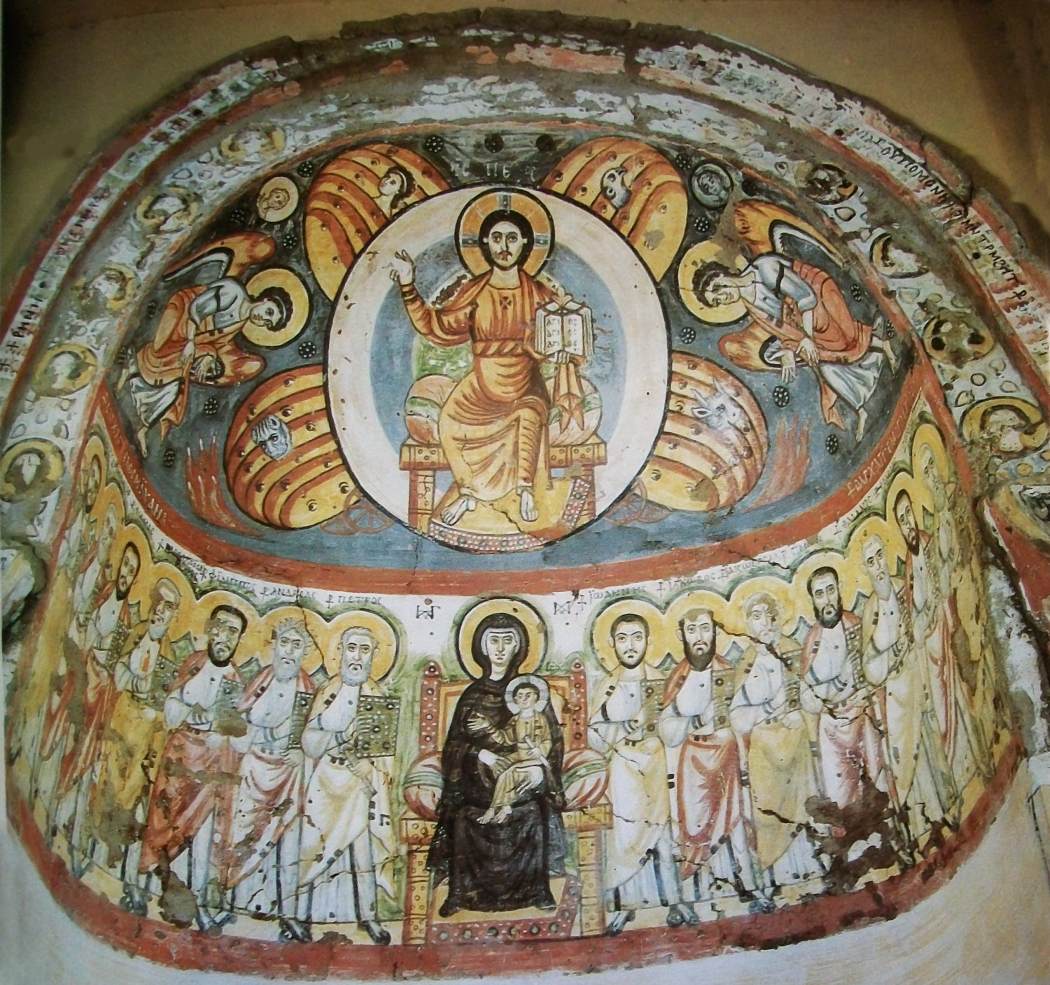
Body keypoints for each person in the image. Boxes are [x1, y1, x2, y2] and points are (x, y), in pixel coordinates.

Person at [391, 200, 567, 527]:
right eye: (497, 238)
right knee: (449, 421)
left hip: (523, 381)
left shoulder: (540, 294)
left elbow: (558, 337)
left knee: (529, 416)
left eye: (512, 238)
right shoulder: (475, 292)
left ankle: (525, 490)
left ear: (525, 244)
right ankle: (468, 493)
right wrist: (407, 286)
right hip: (482, 383)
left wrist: (561, 346)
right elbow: (436, 326)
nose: (504, 246)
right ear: (485, 244)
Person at [428, 612, 566, 916]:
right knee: (463, 818)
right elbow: (453, 747)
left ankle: (537, 891)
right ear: (482, 646)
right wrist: (482, 755)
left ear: (519, 647)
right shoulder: (473, 695)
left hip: (522, 785)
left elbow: (553, 742)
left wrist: (540, 771)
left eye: (507, 641)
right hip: (477, 785)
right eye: (494, 641)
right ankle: (460, 894)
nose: (500, 649)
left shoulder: (530, 693)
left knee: (533, 813)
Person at [697, 256, 898, 440]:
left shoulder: (765, 269)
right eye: (716, 301)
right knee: (824, 364)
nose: (722, 298)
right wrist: (788, 349)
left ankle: (882, 345)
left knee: (846, 343)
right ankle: (860, 408)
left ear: (721, 276)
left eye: (717, 290)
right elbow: (779, 327)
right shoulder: (750, 304)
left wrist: (807, 339)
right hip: (800, 324)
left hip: (819, 298)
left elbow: (805, 296)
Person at [140, 604, 249, 932]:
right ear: (210, 628)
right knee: (162, 825)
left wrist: (220, 730)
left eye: (233, 632)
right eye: (221, 627)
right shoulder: (193, 664)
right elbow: (170, 706)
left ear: (239, 640)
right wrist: (189, 713)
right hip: (178, 760)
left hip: (210, 770)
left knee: (201, 838)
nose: (225, 637)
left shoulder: (236, 681)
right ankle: (144, 892)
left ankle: (199, 904)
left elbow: (237, 729)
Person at [592, 612, 695, 934]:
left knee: (662, 835)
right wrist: (623, 725)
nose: (630, 645)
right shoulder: (607, 685)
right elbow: (595, 736)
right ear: (612, 644)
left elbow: (673, 730)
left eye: (637, 637)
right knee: (626, 837)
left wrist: (676, 718)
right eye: (623, 638)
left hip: (655, 764)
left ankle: (675, 901)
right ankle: (626, 907)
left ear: (648, 641)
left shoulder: (661, 680)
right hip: (624, 766)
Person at [295, 626, 396, 943]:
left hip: (359, 787)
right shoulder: (327, 691)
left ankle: (369, 917)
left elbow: (386, 755)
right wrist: (332, 734)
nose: (357, 657)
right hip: (326, 782)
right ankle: (303, 915)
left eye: (364, 650)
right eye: (352, 648)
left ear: (373, 656)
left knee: (363, 855)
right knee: (314, 848)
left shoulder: (378, 695)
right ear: (340, 652)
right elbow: (309, 742)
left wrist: (371, 768)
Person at [90, 576, 182, 915]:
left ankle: (128, 875)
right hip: (122, 718)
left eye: (167, 610)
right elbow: (117, 673)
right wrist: (131, 675)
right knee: (109, 781)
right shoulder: (136, 634)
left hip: (147, 732)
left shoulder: (169, 652)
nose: (160, 613)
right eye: (158, 606)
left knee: (136, 797)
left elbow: (167, 697)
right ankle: (98, 852)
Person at [116, 271, 284, 456]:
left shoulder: (240, 323)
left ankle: (144, 428)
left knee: (177, 389)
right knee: (160, 354)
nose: (263, 319)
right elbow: (197, 308)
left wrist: (209, 356)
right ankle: (131, 367)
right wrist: (189, 342)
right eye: (268, 312)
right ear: (265, 300)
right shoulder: (234, 293)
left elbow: (217, 344)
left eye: (267, 322)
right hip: (181, 316)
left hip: (194, 340)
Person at [51, 541, 141, 875]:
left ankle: (77, 832)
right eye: (125, 565)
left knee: (88, 761)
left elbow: (122, 666)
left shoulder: (128, 618)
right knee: (67, 747)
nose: (126, 573)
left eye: (132, 570)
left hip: (100, 695)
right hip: (80, 683)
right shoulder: (102, 593)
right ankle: (58, 811)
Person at [660, 608, 758, 912]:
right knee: (694, 825)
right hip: (693, 762)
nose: (700, 637)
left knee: (733, 821)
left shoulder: (728, 671)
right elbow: (666, 731)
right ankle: (696, 894)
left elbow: (745, 715)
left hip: (726, 756)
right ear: (681, 636)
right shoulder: (677, 678)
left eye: (705, 629)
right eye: (692, 631)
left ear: (715, 632)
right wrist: (689, 717)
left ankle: (744, 883)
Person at [225, 618, 316, 940]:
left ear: (305, 652)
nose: (289, 651)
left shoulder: (309, 691)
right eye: (285, 643)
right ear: (274, 645)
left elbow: (315, 736)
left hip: (288, 776)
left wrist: (302, 753)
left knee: (287, 846)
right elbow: (236, 723)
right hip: (252, 770)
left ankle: (288, 913)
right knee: (243, 838)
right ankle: (235, 906)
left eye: (297, 645)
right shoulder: (258, 682)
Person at [730, 593, 821, 892]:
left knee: (803, 809)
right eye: (757, 616)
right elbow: (737, 719)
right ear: (748, 624)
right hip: (764, 755)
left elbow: (812, 699)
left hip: (796, 749)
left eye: (770, 615)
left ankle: (810, 874)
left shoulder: (792, 652)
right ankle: (774, 879)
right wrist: (768, 710)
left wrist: (802, 707)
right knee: (769, 820)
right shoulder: (747, 665)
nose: (765, 623)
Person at [799, 567, 885, 809]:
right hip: (832, 729)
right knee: (841, 796)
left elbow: (874, 668)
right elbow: (808, 698)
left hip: (862, 717)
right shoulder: (813, 641)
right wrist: (835, 686)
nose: (827, 600)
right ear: (813, 600)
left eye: (830, 590)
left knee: (876, 780)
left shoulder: (855, 624)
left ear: (839, 590)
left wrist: (866, 690)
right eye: (819, 594)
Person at [479, 675, 555, 826]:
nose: (523, 699)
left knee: (509, 772)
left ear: (536, 697)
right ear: (514, 700)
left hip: (534, 759)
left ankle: (493, 808)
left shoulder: (541, 718)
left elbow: (547, 740)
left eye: (528, 695)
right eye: (520, 696)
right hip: (518, 756)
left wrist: (540, 750)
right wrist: (488, 727)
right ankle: (506, 806)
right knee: (492, 761)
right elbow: (505, 739)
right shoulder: (515, 720)